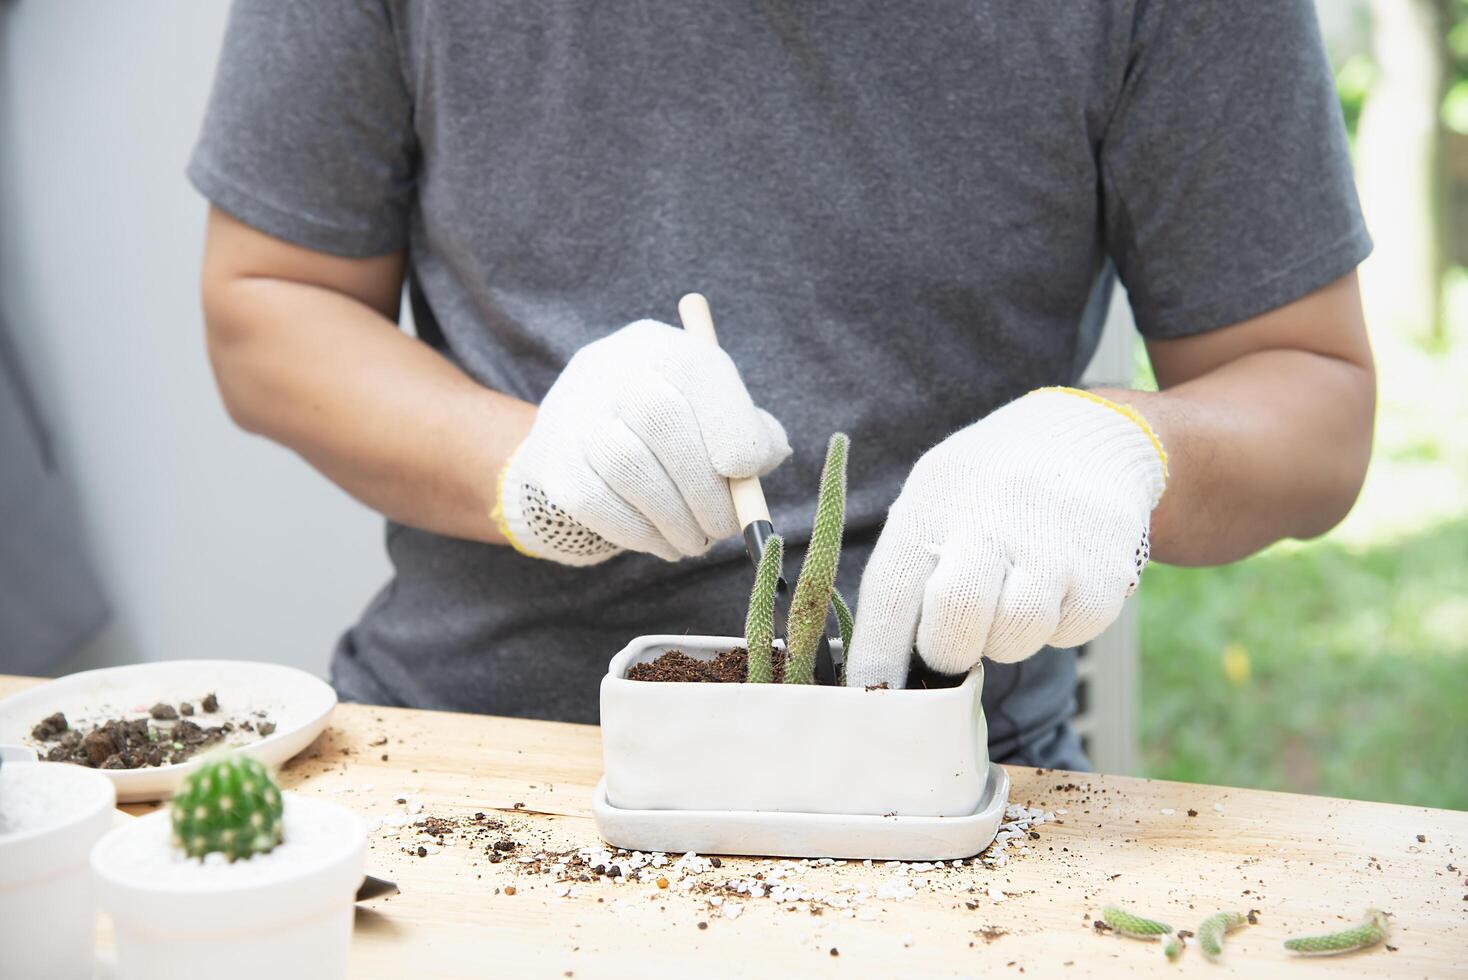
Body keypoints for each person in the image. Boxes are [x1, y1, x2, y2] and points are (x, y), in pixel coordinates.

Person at [193, 1, 1374, 770]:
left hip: (949, 768)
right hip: (477, 749)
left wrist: (1121, 446)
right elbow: (268, 302)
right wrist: (525, 465)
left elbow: (1312, 399)